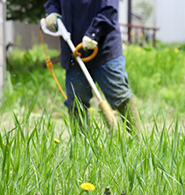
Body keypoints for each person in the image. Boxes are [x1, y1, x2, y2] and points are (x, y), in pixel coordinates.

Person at [44, 0, 142, 135]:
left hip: (104, 50)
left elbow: (109, 9)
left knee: (120, 97)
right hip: (74, 51)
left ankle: (139, 143)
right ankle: (81, 147)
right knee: (76, 103)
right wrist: (52, 11)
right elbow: (53, 1)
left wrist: (93, 33)